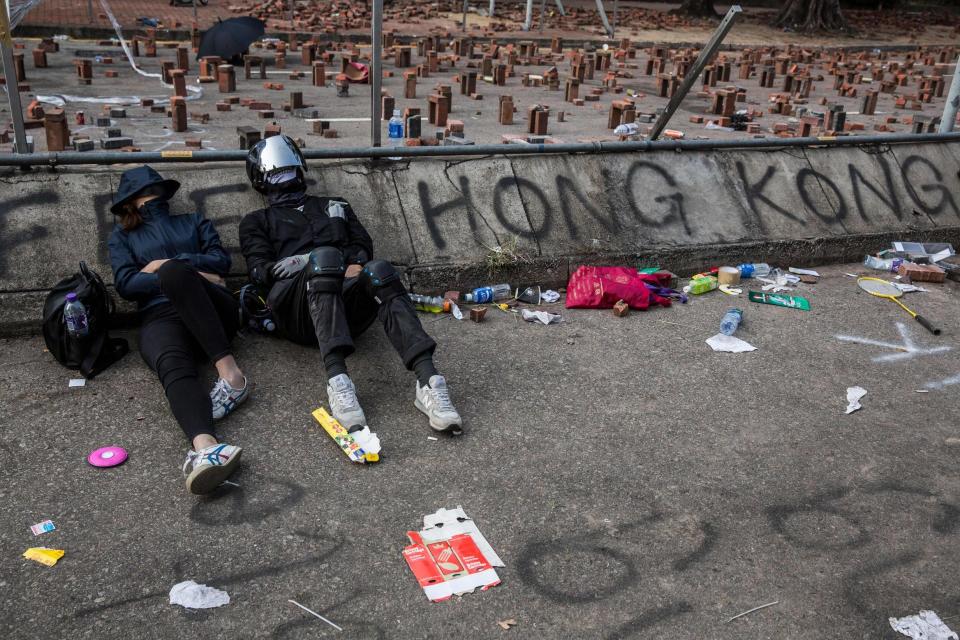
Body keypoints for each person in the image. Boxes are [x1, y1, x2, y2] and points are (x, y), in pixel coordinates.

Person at [238, 135, 463, 435]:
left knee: (380, 270)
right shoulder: (256, 221)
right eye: (276, 174)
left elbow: (362, 247)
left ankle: (429, 381)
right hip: (297, 312)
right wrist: (304, 263)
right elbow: (259, 271)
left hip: (348, 306)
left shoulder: (335, 205)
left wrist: (341, 261)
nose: (285, 179)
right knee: (324, 257)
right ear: (262, 182)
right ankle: (339, 382)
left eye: (288, 171)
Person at [108, 166, 250, 494]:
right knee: (171, 363)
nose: (156, 198)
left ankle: (232, 376)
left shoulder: (193, 221)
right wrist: (196, 272)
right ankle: (207, 449)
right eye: (150, 193)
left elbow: (221, 262)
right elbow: (126, 284)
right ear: (134, 202)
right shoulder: (122, 237)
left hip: (214, 310)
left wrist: (169, 268)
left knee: (172, 272)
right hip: (160, 316)